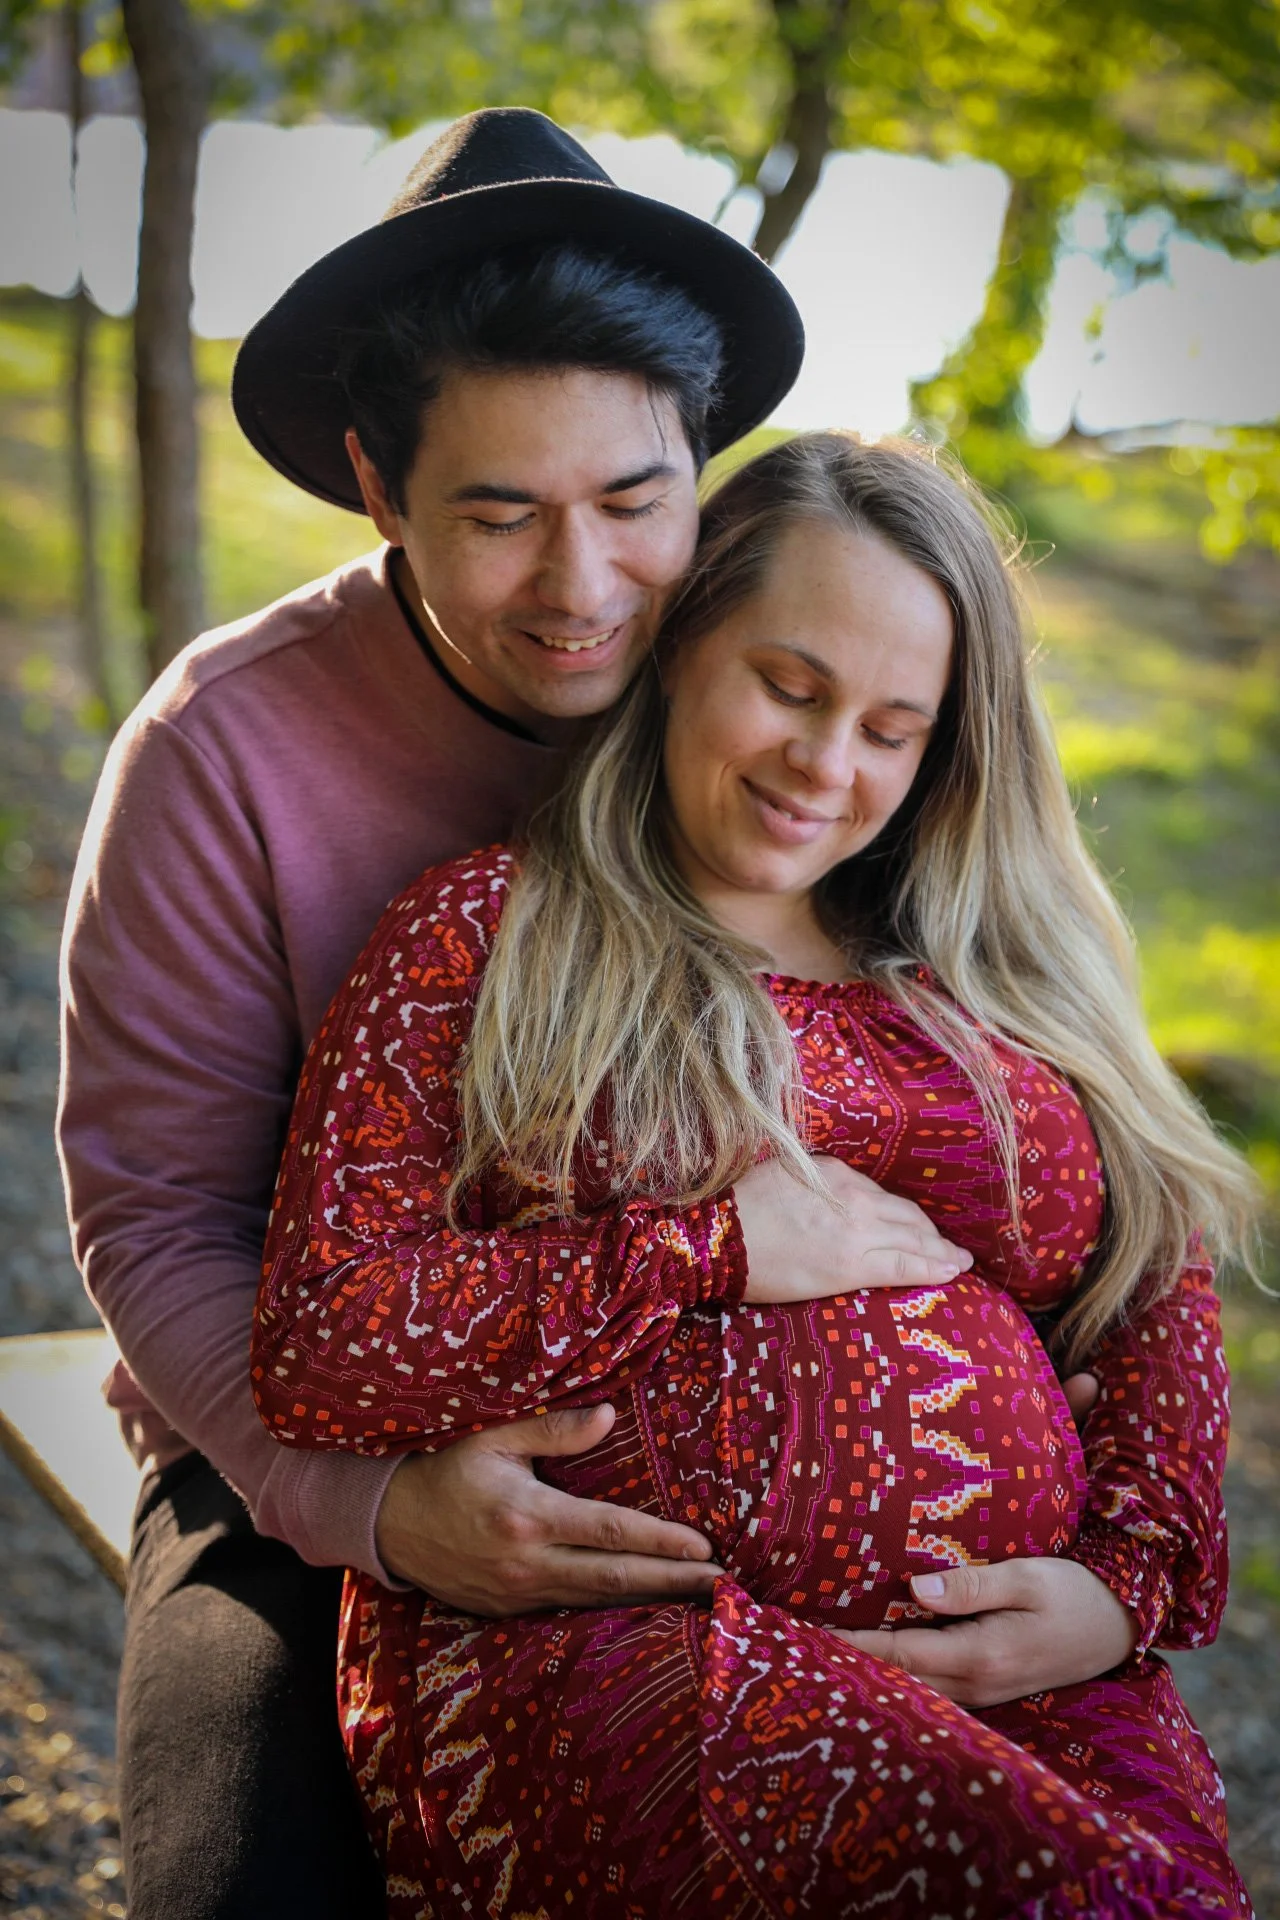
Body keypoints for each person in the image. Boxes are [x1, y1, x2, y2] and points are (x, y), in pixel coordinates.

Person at [57, 106, 1233, 1917]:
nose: (583, 587)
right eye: (500, 515)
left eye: (632, 502)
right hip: (303, 1465)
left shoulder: (788, 714)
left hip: (894, 1619)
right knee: (244, 1887)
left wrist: (1111, 1563)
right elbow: (160, 1224)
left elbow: (1117, 1226)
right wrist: (383, 1513)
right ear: (380, 486)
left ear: (701, 472)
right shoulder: (232, 753)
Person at [253, 432, 1257, 1917]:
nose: (825, 766)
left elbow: (1157, 1271)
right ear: (679, 646)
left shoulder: (983, 986)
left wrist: (1117, 1589)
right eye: (788, 688)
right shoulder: (489, 933)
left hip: (1021, 1676)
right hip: (611, 1646)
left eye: (891, 731)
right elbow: (325, 1340)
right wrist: (703, 1248)